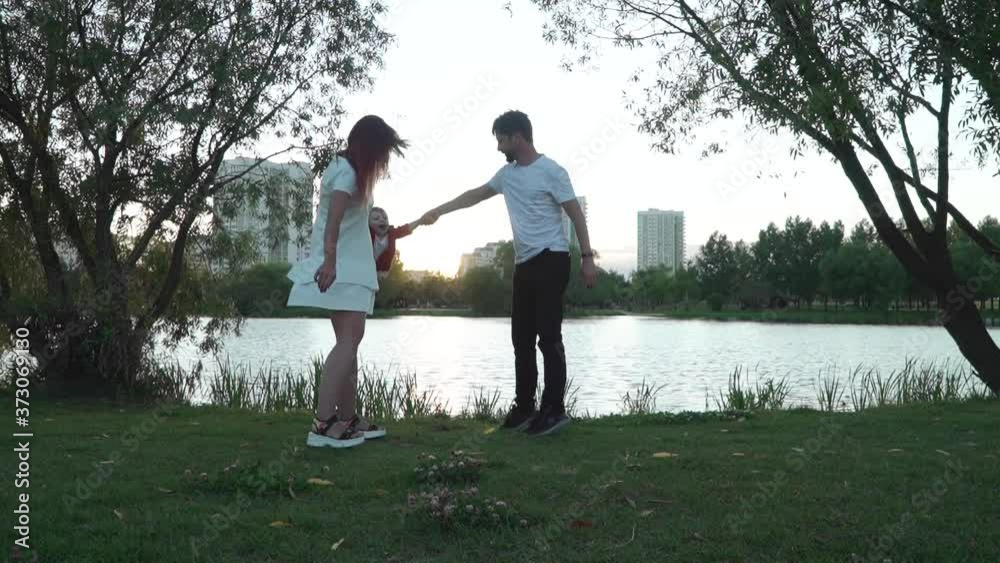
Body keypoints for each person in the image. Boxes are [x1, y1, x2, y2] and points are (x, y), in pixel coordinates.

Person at [420, 110, 597, 436]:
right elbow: (475, 194)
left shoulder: (552, 171)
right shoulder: (507, 175)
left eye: (501, 140)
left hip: (552, 258)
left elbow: (576, 215)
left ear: (517, 137)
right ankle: (525, 408)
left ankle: (554, 410)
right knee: (521, 339)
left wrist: (587, 258)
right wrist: (439, 211)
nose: (499, 147)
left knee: (549, 337)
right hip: (523, 264)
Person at [286, 115, 408, 449]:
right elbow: (334, 219)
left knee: (350, 343)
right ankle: (323, 424)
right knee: (347, 344)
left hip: (353, 269)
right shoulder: (347, 173)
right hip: (343, 270)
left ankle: (347, 417)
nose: (384, 161)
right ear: (369, 147)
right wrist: (329, 261)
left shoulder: (348, 169)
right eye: (383, 152)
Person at [369, 206, 422, 278]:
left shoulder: (391, 234)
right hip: (364, 271)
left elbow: (406, 228)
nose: (382, 220)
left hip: (381, 275)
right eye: (376, 219)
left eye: (385, 218)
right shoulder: (365, 234)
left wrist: (420, 221)